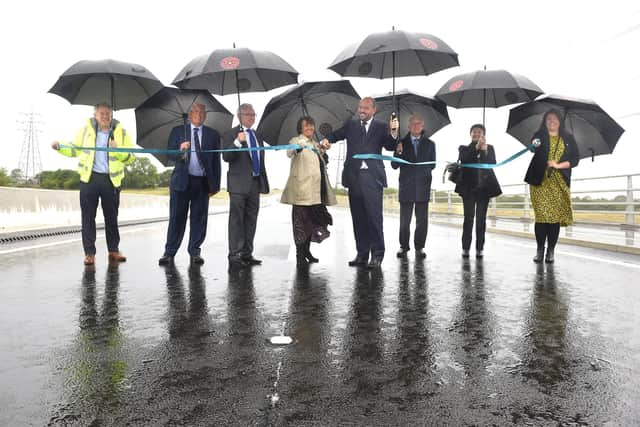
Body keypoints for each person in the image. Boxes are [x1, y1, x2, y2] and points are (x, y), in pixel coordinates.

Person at [51, 103, 135, 266]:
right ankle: (89, 254)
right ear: (95, 115)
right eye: (102, 113)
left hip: (111, 181)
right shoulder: (85, 130)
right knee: (88, 218)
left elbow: (131, 157)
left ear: (112, 115)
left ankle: (113, 251)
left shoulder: (121, 133)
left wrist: (118, 151)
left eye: (108, 113)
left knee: (112, 218)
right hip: (89, 180)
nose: (105, 116)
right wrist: (60, 147)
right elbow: (74, 149)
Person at [320, 97, 398, 269]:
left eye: (366, 108)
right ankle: (362, 254)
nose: (362, 110)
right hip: (353, 178)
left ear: (373, 110)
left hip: (372, 178)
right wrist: (326, 140)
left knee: (374, 218)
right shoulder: (352, 125)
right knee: (358, 219)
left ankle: (377, 255)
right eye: (360, 107)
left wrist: (393, 132)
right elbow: (336, 135)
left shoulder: (381, 126)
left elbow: (391, 146)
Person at [158, 103, 222, 266]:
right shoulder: (178, 131)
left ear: (205, 115)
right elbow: (169, 156)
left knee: (199, 220)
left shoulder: (213, 135)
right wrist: (180, 150)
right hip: (181, 182)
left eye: (202, 112)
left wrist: (215, 185)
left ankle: (195, 252)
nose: (199, 115)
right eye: (196, 112)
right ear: (190, 113)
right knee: (176, 219)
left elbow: (216, 161)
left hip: (202, 183)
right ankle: (169, 252)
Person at [280, 116, 337, 266]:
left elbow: (322, 163)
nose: (310, 130)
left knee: (311, 224)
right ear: (301, 128)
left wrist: (323, 151)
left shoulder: (314, 144)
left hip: (315, 192)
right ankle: (300, 255)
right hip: (301, 192)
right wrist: (299, 145)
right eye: (307, 127)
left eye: (312, 128)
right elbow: (290, 153)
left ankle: (307, 252)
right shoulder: (295, 140)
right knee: (300, 224)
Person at [525, 109, 579, 263]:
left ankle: (551, 251)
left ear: (560, 121)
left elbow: (575, 159)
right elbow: (532, 147)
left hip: (558, 182)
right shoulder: (540, 135)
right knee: (542, 217)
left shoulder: (568, 138)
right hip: (539, 182)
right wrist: (533, 144)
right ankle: (540, 250)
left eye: (555, 119)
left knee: (554, 218)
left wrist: (558, 165)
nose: (552, 122)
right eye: (548, 119)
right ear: (545, 121)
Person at [223, 103, 270, 268]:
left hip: (255, 184)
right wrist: (237, 141)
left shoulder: (258, 135)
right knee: (236, 221)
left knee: (251, 220)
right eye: (249, 114)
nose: (252, 117)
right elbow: (226, 157)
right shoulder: (230, 133)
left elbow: (259, 158)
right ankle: (234, 255)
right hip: (237, 185)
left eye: (254, 114)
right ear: (240, 115)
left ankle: (247, 254)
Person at [391, 114, 436, 259]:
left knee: (422, 221)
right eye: (413, 124)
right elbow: (394, 165)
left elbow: (432, 164)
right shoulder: (401, 143)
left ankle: (419, 247)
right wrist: (398, 152)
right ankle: (404, 246)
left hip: (423, 186)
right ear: (409, 126)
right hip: (406, 186)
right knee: (405, 221)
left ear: (422, 126)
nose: (416, 126)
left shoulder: (430, 144)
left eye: (419, 124)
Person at [454, 124, 502, 259]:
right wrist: (476, 148)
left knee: (481, 220)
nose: (476, 134)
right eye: (474, 132)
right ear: (470, 134)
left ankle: (480, 248)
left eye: (479, 132)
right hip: (468, 188)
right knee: (468, 218)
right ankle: (465, 248)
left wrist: (485, 151)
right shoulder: (464, 148)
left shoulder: (489, 147)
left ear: (483, 135)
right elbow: (465, 159)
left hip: (484, 189)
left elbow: (492, 163)